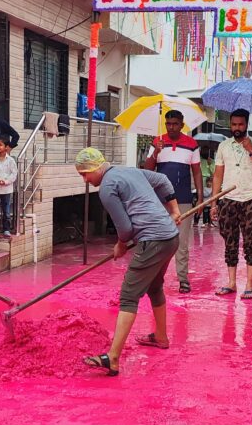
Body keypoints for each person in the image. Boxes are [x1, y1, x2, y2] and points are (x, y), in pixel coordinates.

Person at [75, 147, 181, 377]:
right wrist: (173, 211)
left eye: (85, 174)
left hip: (153, 240)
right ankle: (161, 337)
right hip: (170, 237)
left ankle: (112, 358)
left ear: (95, 168)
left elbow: (125, 228)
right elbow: (163, 181)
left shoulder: (107, 188)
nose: (85, 179)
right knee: (154, 286)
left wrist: (121, 244)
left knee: (128, 297)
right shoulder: (131, 171)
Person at [210, 109, 252, 301]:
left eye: (241, 124)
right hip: (228, 198)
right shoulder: (223, 146)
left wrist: (251, 150)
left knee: (251, 241)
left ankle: (250, 284)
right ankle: (231, 282)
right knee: (230, 241)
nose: (237, 128)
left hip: (251, 197)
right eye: (234, 124)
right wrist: (214, 202)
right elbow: (218, 175)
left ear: (247, 125)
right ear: (230, 124)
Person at [143, 109, 203, 293]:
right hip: (160, 200)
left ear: (182, 124)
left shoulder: (192, 144)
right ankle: (153, 278)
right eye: (168, 124)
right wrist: (156, 153)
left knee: (181, 242)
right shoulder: (157, 141)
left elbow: (197, 172)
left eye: (175, 124)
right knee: (157, 240)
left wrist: (200, 197)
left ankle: (183, 279)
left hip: (183, 199)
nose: (171, 127)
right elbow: (147, 169)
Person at [0, 136, 18, 238]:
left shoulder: (10, 161)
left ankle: (6, 229)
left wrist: (5, 181)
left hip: (6, 190)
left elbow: (14, 174)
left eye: (0, 145)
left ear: (6, 147)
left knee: (6, 211)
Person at [196, 146, 216, 227]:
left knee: (208, 203)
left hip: (208, 184)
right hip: (199, 182)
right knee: (198, 202)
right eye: (203, 149)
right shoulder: (198, 159)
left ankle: (209, 221)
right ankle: (196, 221)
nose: (205, 151)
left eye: (206, 149)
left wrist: (210, 164)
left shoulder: (212, 161)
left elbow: (214, 173)